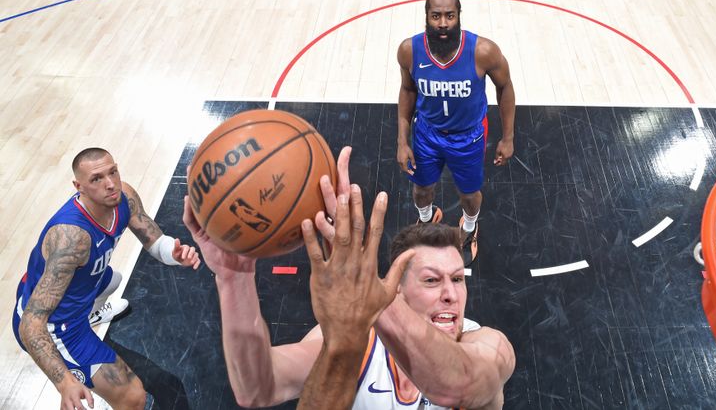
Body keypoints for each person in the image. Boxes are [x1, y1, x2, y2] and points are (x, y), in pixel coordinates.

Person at [182, 146, 516, 409]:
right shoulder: (360, 338)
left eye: (457, 279)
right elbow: (257, 387)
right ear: (397, 290)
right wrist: (233, 277)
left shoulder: (489, 345)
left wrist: (370, 295)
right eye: (431, 280)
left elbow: (458, 384)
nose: (450, 294)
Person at [12, 148, 201, 410]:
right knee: (134, 397)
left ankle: (90, 314)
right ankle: (83, 328)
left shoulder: (125, 196)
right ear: (79, 187)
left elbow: (155, 241)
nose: (110, 184)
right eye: (97, 179)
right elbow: (31, 324)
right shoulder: (72, 237)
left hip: (70, 290)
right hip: (56, 326)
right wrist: (64, 382)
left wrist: (175, 253)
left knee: (113, 279)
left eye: (112, 171)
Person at [396, 0, 515, 266]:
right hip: (426, 133)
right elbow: (407, 90)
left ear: (458, 16)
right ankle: (425, 223)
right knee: (421, 190)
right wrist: (402, 141)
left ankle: (470, 227)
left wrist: (507, 137)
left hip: (468, 137)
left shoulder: (483, 51)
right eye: (436, 16)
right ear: (426, 17)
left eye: (450, 15)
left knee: (469, 194)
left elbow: (505, 87)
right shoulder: (409, 51)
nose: (443, 23)